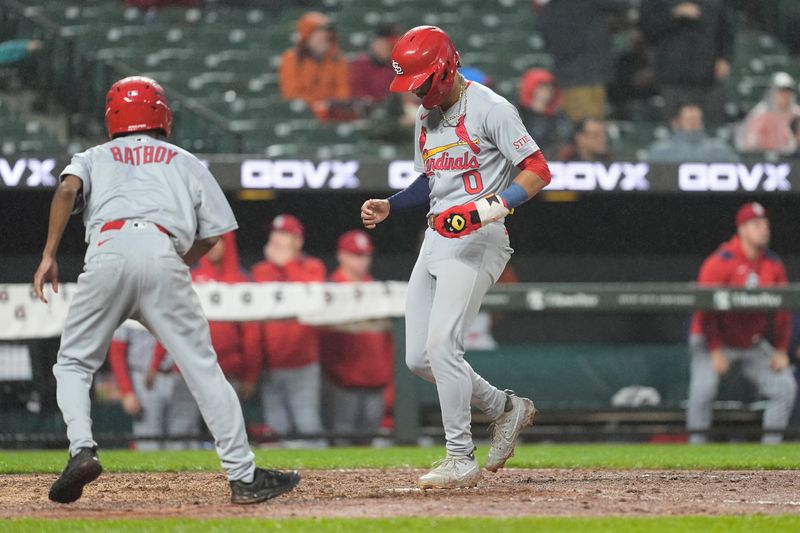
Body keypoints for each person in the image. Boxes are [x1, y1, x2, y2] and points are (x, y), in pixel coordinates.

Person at [32, 76, 299, 505]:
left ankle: (82, 448)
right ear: (162, 114)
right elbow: (214, 237)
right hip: (162, 249)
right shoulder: (184, 160)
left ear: (112, 116)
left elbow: (66, 189)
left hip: (107, 251)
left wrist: (48, 255)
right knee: (203, 369)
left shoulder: (94, 155)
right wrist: (172, 262)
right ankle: (243, 477)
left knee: (74, 364)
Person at [361, 26, 548, 489]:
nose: (418, 93)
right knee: (419, 359)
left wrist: (482, 210)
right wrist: (392, 204)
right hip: (437, 235)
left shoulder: (492, 108)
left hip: (480, 236)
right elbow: (432, 180)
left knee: (444, 347)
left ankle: (459, 456)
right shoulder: (426, 118)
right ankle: (505, 408)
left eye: (423, 82)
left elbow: (539, 172)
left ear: (446, 70)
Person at [687, 202, 796, 444]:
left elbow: (784, 311)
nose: (764, 229)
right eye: (756, 225)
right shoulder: (720, 261)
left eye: (765, 224)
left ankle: (770, 452)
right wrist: (715, 349)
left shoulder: (773, 265)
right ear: (742, 229)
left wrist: (780, 349)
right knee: (703, 390)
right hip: (712, 340)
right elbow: (705, 311)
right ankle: (695, 454)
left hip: (749, 342)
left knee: (785, 386)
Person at [148, 232, 262, 402]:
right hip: (189, 372)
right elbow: (172, 325)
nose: (212, 247)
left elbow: (252, 337)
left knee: (227, 427)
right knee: (183, 427)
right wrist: (155, 364)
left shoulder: (242, 282)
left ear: (227, 243)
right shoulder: (188, 279)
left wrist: (250, 377)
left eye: (217, 241)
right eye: (207, 242)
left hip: (229, 374)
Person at [251, 214, 327, 445]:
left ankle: (326, 480)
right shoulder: (260, 271)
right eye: (276, 234)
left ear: (298, 242)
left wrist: (288, 264)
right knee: (276, 430)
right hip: (270, 366)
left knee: (308, 425)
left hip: (303, 364)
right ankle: (283, 476)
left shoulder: (313, 267)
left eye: (285, 235)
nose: (277, 240)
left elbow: (312, 300)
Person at [320, 230, 394, 445]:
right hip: (341, 384)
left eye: (365, 255)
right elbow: (324, 342)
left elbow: (389, 342)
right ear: (342, 255)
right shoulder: (329, 290)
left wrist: (388, 380)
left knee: (370, 441)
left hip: (375, 381)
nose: (362, 261)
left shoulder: (378, 290)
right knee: (341, 441)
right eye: (356, 255)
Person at [640, 0, 735, 125]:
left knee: (712, 128)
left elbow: (727, 32)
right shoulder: (658, 3)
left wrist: (725, 58)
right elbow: (647, 29)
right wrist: (674, 13)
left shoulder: (715, 3)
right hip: (673, 78)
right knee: (675, 129)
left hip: (709, 76)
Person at [109, 324, 200, 450]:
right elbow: (117, 353)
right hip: (143, 377)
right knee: (148, 440)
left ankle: (183, 471)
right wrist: (127, 392)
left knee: (182, 439)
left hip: (178, 377)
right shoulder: (127, 314)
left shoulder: (171, 306)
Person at [536, 0, 630, 121]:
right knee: (588, 124)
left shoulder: (550, 8)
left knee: (588, 124)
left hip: (574, 74)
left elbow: (548, 41)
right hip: (583, 75)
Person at [278, 12, 351, 121]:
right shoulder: (291, 59)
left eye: (326, 32)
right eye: (318, 32)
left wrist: (329, 105)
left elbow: (343, 92)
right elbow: (290, 94)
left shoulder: (338, 59)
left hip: (332, 116)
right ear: (307, 35)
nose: (323, 36)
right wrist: (317, 104)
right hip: (301, 116)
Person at [647, 103, 739, 163]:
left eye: (696, 119)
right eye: (688, 119)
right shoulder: (661, 151)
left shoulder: (720, 149)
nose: (693, 123)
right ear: (676, 123)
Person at [736, 72, 800, 155]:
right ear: (773, 93)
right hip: (763, 157)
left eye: (788, 92)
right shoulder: (761, 113)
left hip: (793, 157)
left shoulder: (796, 113)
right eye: (781, 92)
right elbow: (748, 142)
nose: (785, 96)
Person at [518, 68, 573, 158]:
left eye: (550, 87)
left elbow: (566, 143)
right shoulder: (517, 115)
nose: (547, 92)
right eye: (541, 87)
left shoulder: (559, 117)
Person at [348, 23, 399, 112]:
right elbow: (357, 95)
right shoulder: (361, 64)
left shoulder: (396, 65)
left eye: (391, 46)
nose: (390, 49)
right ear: (376, 43)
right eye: (386, 45)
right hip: (367, 111)